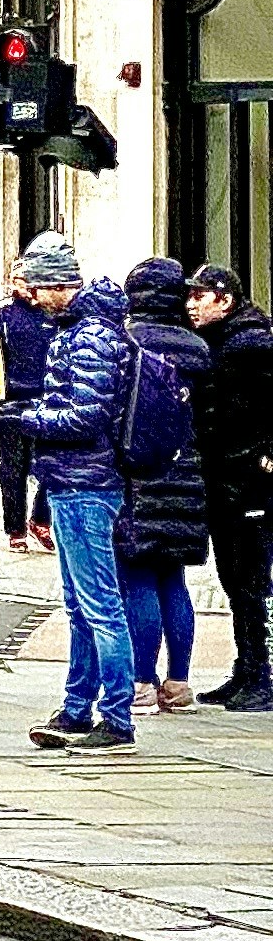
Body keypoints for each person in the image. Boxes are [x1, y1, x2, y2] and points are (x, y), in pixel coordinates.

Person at [7, 237, 139, 753]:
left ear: (61, 285)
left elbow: (87, 415)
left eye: (37, 287)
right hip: (70, 481)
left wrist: (25, 417)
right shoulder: (73, 331)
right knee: (79, 605)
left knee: (101, 604)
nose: (30, 297)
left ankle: (117, 715)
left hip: (88, 483)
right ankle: (77, 705)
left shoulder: (90, 337)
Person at [116, 258, 212, 712]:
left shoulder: (126, 343)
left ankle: (140, 681)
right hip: (188, 473)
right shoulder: (198, 348)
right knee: (173, 578)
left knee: (137, 575)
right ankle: (179, 683)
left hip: (138, 475)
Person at [187, 264, 273, 707]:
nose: (191, 305)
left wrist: (267, 455)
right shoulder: (221, 343)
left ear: (225, 299)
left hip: (250, 482)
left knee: (254, 579)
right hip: (226, 477)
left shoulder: (252, 344)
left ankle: (263, 675)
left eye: (200, 297)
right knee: (235, 577)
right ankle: (247, 669)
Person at [0, 275, 54, 556]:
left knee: (49, 464)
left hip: (46, 400)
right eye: (15, 278)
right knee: (13, 468)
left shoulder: (51, 313)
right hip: (10, 402)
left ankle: (40, 519)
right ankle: (16, 529)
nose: (20, 284)